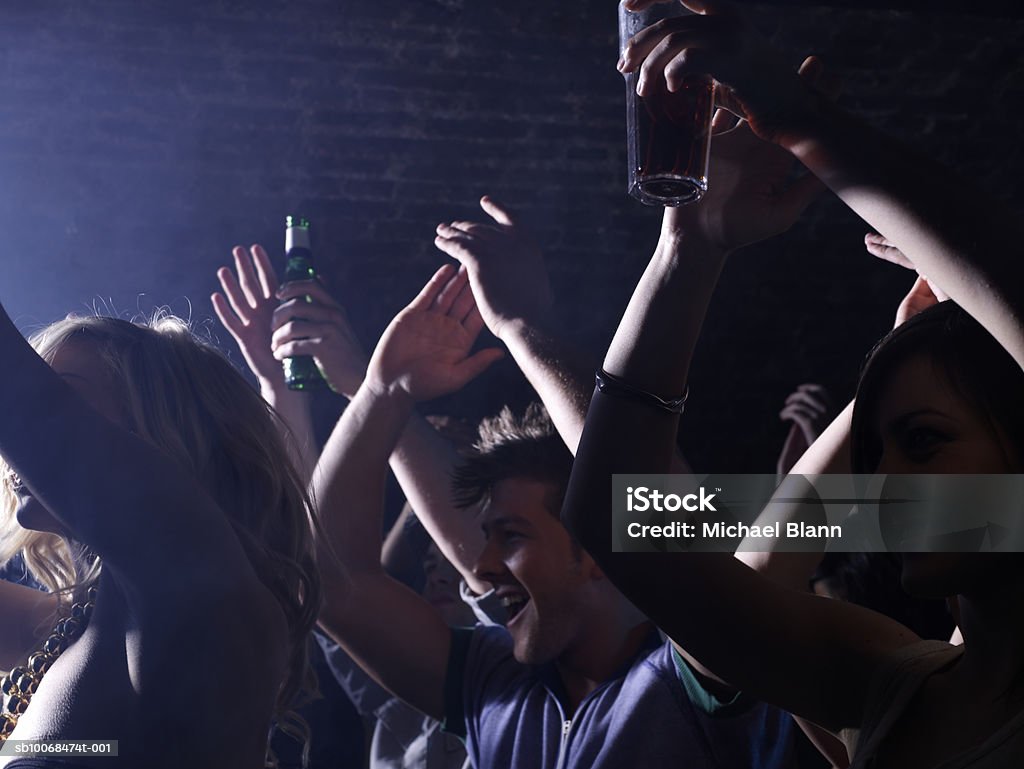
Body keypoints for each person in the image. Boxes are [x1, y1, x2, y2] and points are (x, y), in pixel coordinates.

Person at [564, 0, 1024, 766]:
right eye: (878, 452)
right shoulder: (887, 684)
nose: (882, 487)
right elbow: (619, 520)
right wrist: (690, 247)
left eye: (925, 441)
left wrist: (806, 122)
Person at [312, 262, 797, 769]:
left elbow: (663, 515)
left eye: (512, 536)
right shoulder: (492, 683)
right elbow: (330, 577)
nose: (482, 566)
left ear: (595, 550)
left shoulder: (690, 682)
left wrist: (519, 328)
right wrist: (382, 392)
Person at [0, 309, 320, 768]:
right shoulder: (73, 628)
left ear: (157, 430)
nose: (20, 438)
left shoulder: (202, 595)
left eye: (60, 399)